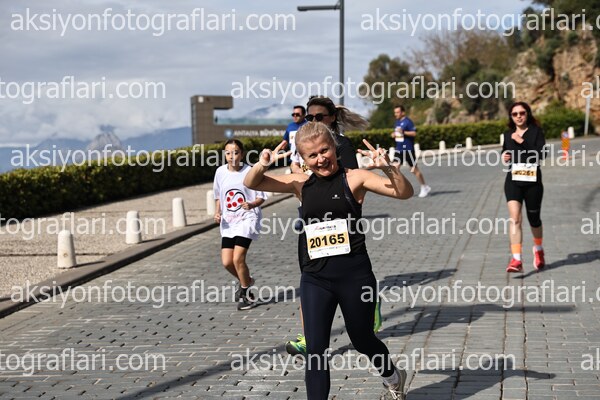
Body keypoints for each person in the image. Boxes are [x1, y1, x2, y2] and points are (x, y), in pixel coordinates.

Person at [244, 121, 413, 400]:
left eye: (325, 150)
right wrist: (262, 164)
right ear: (303, 159)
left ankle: (393, 377)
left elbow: (404, 192)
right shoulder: (300, 183)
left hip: (355, 277)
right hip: (315, 278)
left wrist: (388, 168)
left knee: (362, 339)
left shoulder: (355, 178)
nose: (321, 159)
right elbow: (251, 182)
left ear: (334, 148)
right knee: (315, 350)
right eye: (312, 155)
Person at [285, 96, 382, 357]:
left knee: (360, 332)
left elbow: (350, 184)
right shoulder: (302, 142)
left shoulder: (342, 145)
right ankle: (310, 338)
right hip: (312, 224)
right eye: (310, 117)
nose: (314, 121)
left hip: (341, 228)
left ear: (332, 118)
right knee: (309, 277)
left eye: (320, 117)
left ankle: (369, 301)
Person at [213, 139, 267, 310]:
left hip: (247, 218)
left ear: (242, 154)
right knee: (227, 262)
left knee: (238, 258)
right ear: (224, 155)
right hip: (229, 222)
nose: (232, 156)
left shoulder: (250, 171)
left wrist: (251, 204)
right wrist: (217, 212)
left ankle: (246, 295)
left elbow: (261, 197)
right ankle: (247, 281)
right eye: (228, 153)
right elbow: (218, 196)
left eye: (236, 152)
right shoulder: (220, 172)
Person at [502, 102, 546, 272]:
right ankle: (516, 259)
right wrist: (504, 156)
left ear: (527, 114)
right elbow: (506, 151)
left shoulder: (536, 132)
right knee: (515, 218)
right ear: (511, 117)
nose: (519, 116)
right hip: (513, 180)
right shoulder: (507, 134)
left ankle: (538, 249)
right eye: (515, 114)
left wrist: (522, 141)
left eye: (522, 113)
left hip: (532, 181)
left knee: (534, 219)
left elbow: (541, 154)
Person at [391, 105, 431, 198]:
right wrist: (393, 134)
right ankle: (400, 188)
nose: (395, 114)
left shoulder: (408, 122)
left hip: (408, 149)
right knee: (394, 168)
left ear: (403, 112)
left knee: (414, 170)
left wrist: (403, 132)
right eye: (395, 112)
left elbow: (414, 133)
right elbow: (397, 133)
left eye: (397, 112)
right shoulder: (397, 122)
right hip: (399, 149)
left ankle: (424, 186)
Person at [284, 105, 307, 173]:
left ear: (304, 115)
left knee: (305, 173)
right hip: (294, 159)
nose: (295, 116)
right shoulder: (290, 126)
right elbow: (285, 141)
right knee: (293, 175)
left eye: (297, 114)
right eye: (293, 114)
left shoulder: (308, 125)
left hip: (305, 160)